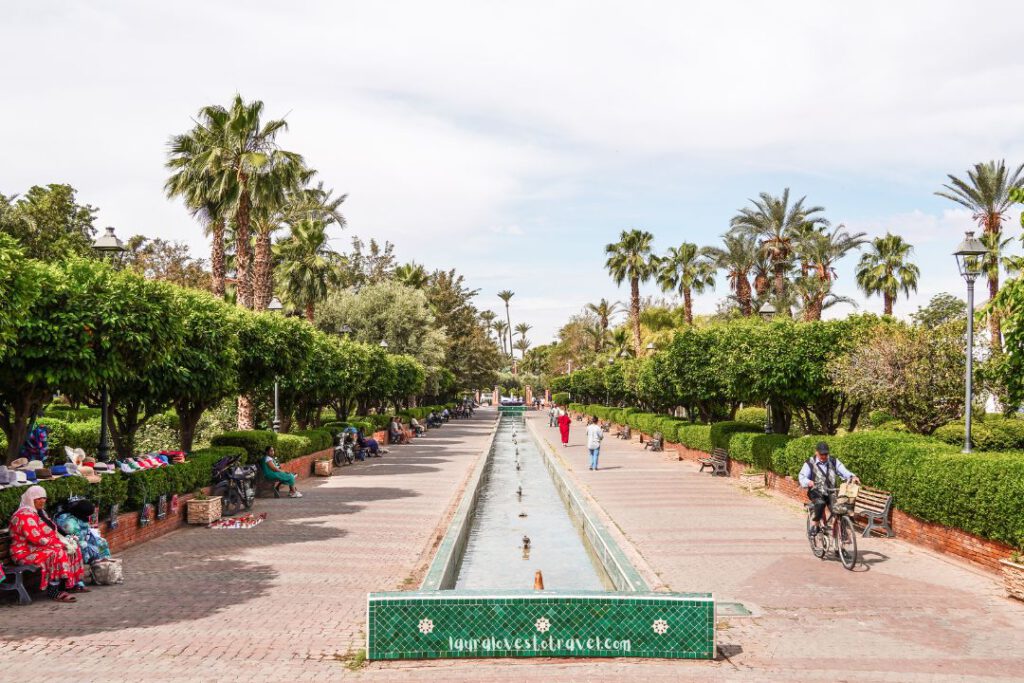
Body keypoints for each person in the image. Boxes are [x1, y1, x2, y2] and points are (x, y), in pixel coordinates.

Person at [9, 485, 86, 602]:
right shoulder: (23, 516)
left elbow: (51, 530)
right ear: (31, 499)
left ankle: (69, 584)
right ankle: (54, 591)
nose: (43, 501)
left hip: (37, 548)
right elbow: (36, 538)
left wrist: (65, 541)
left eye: (44, 498)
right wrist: (59, 544)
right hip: (23, 552)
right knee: (56, 553)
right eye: (39, 498)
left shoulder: (40, 513)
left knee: (74, 547)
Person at [798, 442, 859, 536]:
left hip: (831, 492)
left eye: (825, 454)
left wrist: (852, 477)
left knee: (839, 509)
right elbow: (802, 476)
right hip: (816, 492)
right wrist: (808, 482)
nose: (823, 456)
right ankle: (815, 525)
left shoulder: (834, 461)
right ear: (816, 452)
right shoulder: (809, 462)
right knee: (820, 503)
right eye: (821, 454)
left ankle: (840, 534)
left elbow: (843, 470)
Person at [56, 499, 110, 567]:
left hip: (83, 539)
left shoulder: (79, 516)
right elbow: (77, 539)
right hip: (74, 543)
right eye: (88, 515)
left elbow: (85, 531)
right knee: (85, 545)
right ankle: (92, 563)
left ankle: (106, 563)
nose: (89, 517)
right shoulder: (70, 524)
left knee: (102, 542)